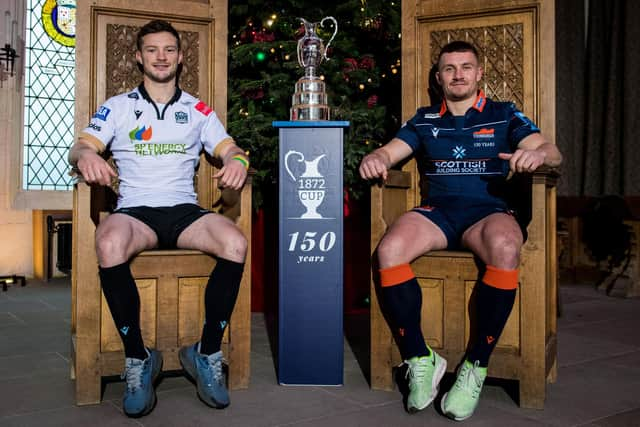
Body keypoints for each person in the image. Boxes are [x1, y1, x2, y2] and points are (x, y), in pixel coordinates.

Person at [359, 41, 562, 421]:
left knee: (504, 247)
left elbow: (553, 152)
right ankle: (420, 357)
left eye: (466, 67)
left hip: (489, 213)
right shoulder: (424, 120)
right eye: (449, 68)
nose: (458, 74)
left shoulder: (504, 115)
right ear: (439, 78)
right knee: (389, 251)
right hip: (438, 213)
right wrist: (375, 158)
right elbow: (389, 153)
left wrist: (537, 155)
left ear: (479, 73)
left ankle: (475, 366)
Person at [68, 20, 249, 418]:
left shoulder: (197, 109)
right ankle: (139, 358)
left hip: (185, 211)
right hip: (136, 212)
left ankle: (206, 351)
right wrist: (86, 157)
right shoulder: (117, 107)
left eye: (169, 49)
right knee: (109, 242)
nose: (161, 57)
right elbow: (80, 146)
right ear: (139, 56)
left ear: (180, 57)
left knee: (235, 242)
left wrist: (237, 160)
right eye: (152, 50)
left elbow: (231, 146)